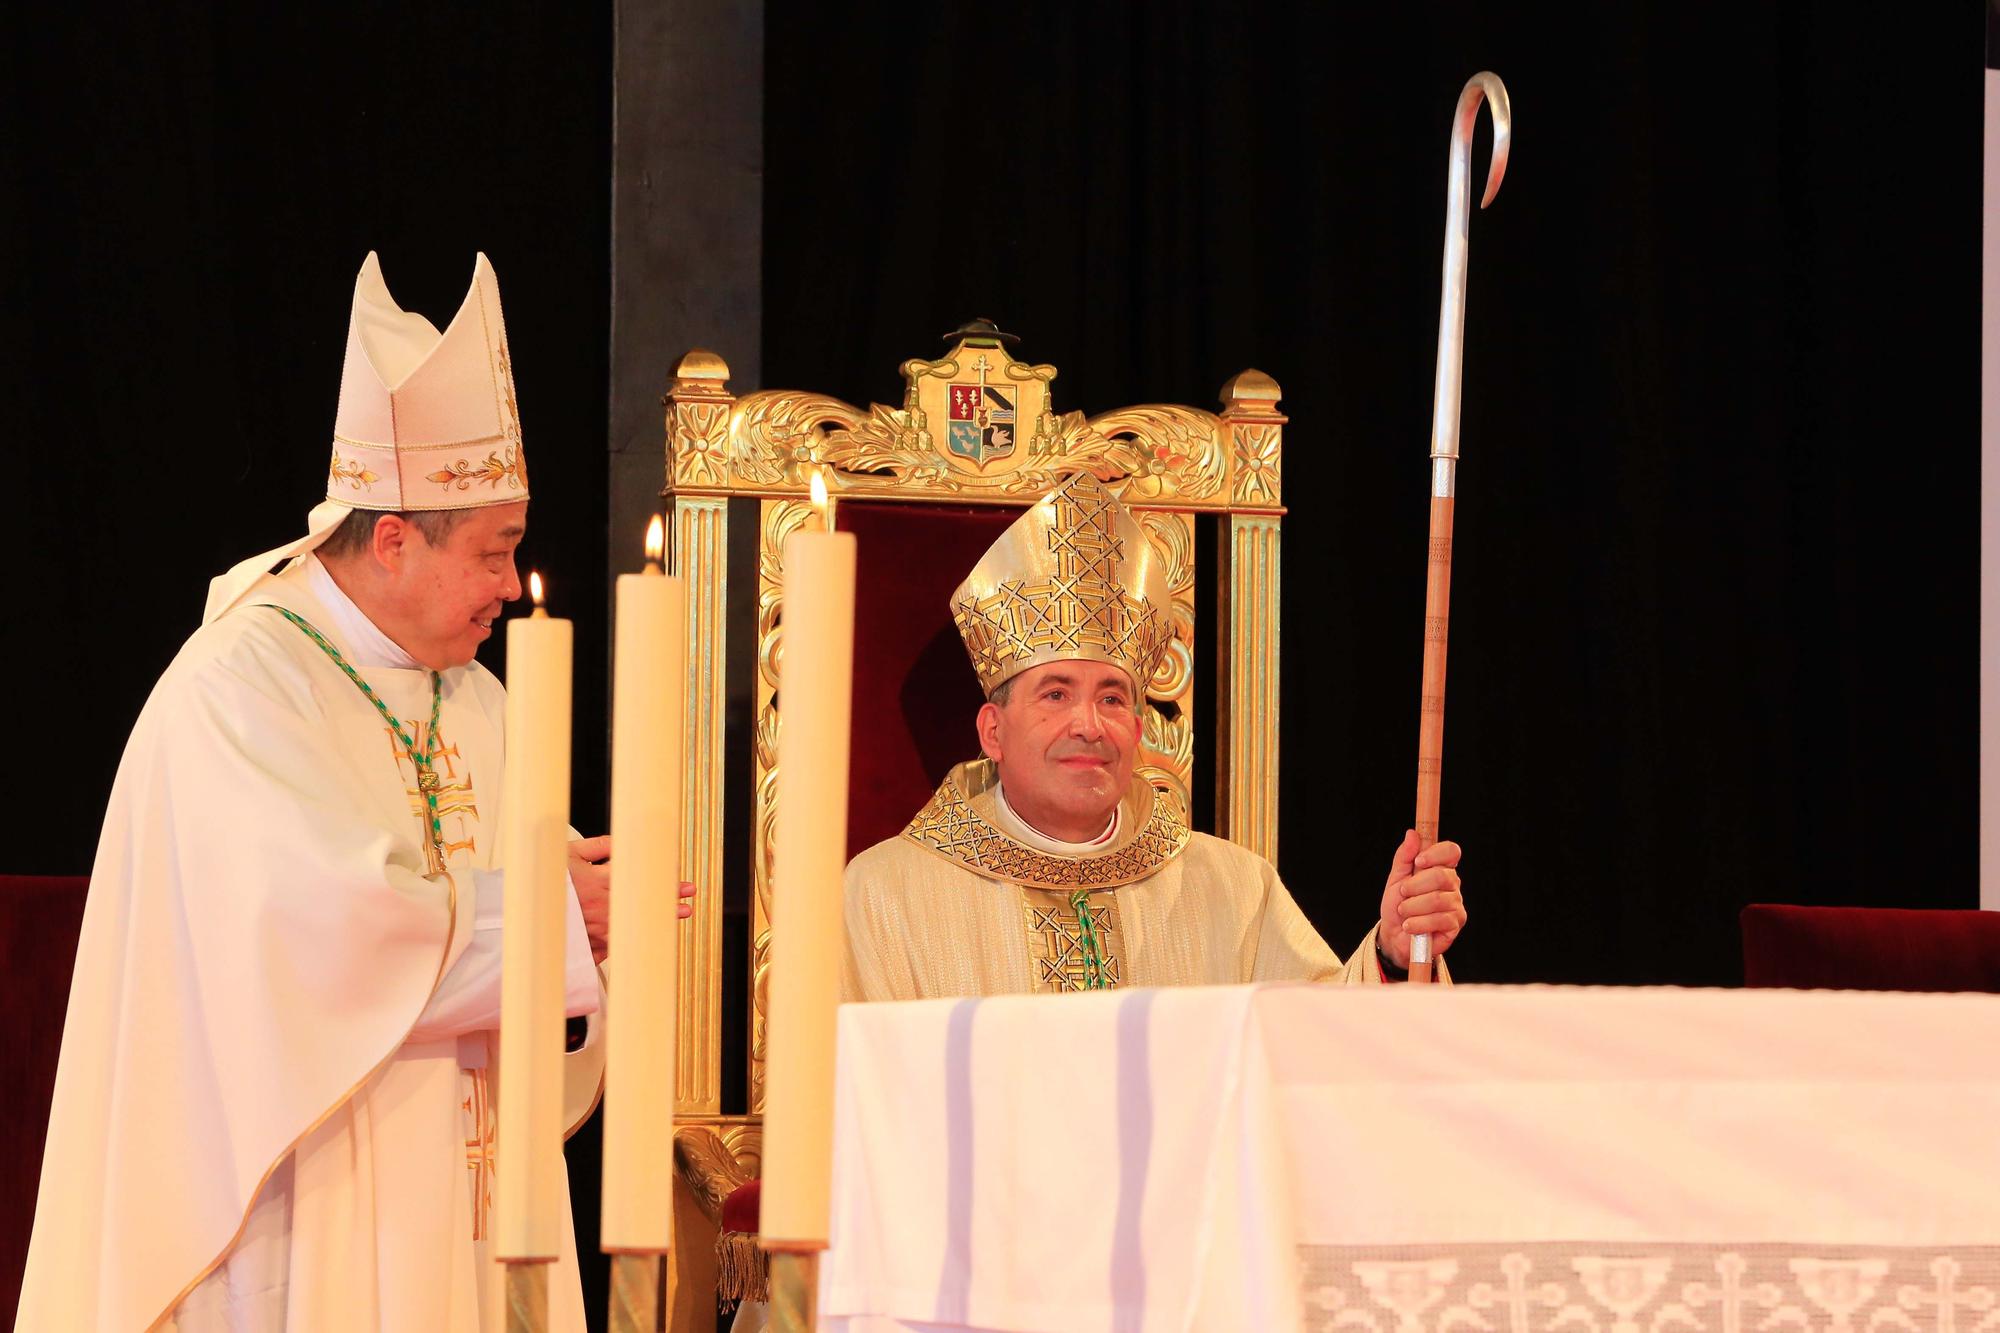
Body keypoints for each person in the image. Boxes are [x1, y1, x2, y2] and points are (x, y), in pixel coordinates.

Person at [18, 253, 668, 1331]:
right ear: (396, 539)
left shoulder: (477, 697)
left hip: (467, 1182)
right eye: (495, 551)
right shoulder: (239, 690)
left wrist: (591, 929)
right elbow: (316, 936)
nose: (513, 586)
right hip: (302, 1183)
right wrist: (551, 920)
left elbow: (519, 907)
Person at [842, 470, 1466, 1001]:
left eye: (1112, 697)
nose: (1089, 724)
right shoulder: (884, 895)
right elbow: (849, 1101)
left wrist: (1390, 951)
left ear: (1139, 731)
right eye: (1056, 693)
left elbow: (1311, 1053)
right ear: (993, 731)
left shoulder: (1234, 889)